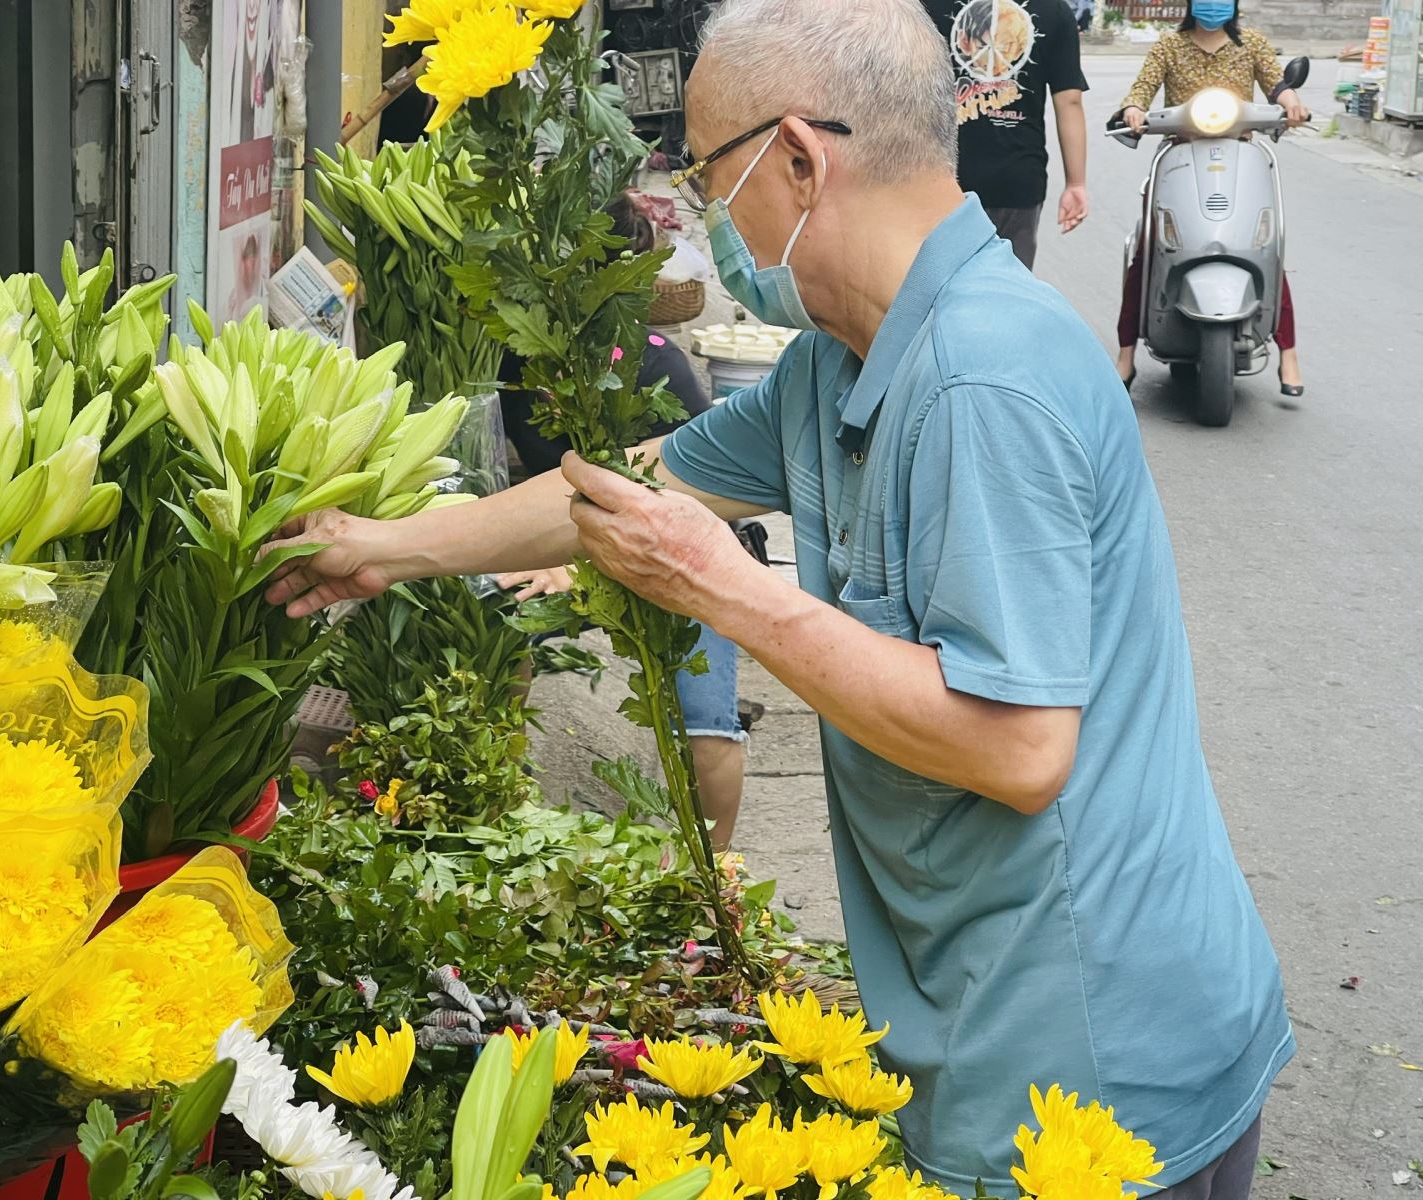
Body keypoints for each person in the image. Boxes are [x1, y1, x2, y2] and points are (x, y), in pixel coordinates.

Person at [262, 0, 1293, 1193]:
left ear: (799, 160)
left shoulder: (980, 380)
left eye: (707, 174)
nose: (702, 220)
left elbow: (1018, 751)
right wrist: (387, 546)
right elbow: (627, 494)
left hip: (1089, 1069)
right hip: (981, 1007)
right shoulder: (841, 361)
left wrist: (730, 595)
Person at [497, 199, 753, 852]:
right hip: (571, 541)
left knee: (705, 727)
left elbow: (707, 501)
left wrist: (577, 555)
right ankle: (508, 831)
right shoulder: (518, 363)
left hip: (686, 549)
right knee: (504, 666)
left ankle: (716, 874)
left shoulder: (654, 363)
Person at [1114, 0, 1310, 394]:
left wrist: (1292, 105)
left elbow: (1278, 85)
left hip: (1239, 159)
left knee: (1263, 244)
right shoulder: (1169, 46)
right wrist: (1134, 110)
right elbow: (1142, 90)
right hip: (1180, 156)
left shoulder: (1251, 44)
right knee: (1150, 248)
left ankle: (1288, 353)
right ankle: (1125, 353)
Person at [922, 0, 1089, 270]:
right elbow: (1069, 101)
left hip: (938, 177)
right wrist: (1076, 183)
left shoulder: (927, 5)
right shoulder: (1054, 10)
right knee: (1008, 292)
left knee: (936, 290)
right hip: (1016, 181)